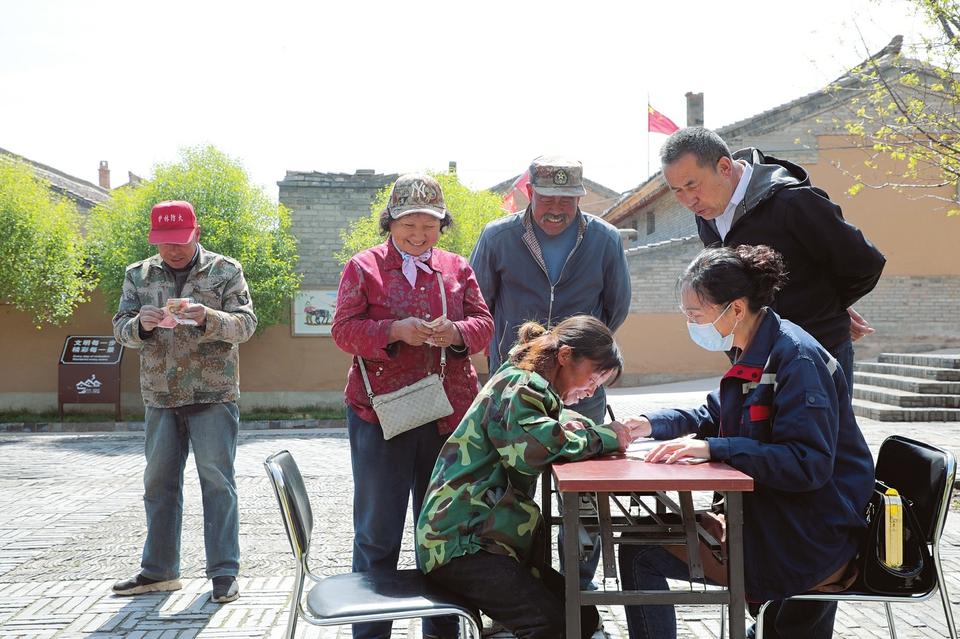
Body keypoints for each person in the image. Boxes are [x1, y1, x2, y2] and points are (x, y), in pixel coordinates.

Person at [620, 245, 875, 639]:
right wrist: (648, 424)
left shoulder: (796, 359)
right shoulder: (758, 348)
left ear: (735, 309)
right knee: (639, 543)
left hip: (801, 538)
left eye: (695, 314)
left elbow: (807, 464)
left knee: (642, 553)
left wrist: (715, 449)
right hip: (763, 520)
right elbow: (712, 413)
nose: (691, 324)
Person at [331, 173, 493, 639]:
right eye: (409, 225)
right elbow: (343, 331)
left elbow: (484, 323)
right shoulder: (363, 268)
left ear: (442, 225)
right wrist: (394, 331)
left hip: (447, 416)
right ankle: (370, 632)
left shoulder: (457, 268)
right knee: (377, 533)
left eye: (429, 226)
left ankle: (441, 633)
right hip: (380, 415)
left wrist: (456, 333)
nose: (419, 235)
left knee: (440, 531)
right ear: (390, 221)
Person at [416, 315, 646, 639]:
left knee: (582, 616)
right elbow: (537, 447)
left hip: (484, 540)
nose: (591, 391)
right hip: (462, 545)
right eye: (593, 378)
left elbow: (555, 423)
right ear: (565, 357)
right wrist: (605, 436)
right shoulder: (522, 386)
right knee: (551, 625)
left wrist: (586, 428)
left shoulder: (529, 384)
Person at [470, 154, 631, 589]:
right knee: (509, 491)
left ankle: (578, 587)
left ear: (581, 197)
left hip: (581, 388)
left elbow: (615, 309)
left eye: (568, 198)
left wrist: (578, 362)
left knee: (582, 494)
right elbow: (478, 307)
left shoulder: (606, 239)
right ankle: (516, 585)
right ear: (529, 193)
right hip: (518, 390)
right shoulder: (497, 237)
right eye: (547, 198)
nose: (557, 208)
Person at [660, 127, 886, 393]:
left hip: (814, 352)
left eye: (692, 185)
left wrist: (830, 307)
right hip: (753, 354)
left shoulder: (791, 201)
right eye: (677, 191)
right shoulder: (707, 215)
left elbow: (864, 263)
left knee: (819, 434)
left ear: (723, 167)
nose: (688, 200)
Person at [112, 200, 257, 604]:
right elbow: (120, 328)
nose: (172, 250)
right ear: (153, 239)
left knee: (218, 484)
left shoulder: (226, 271)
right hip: (160, 395)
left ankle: (224, 573)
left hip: (213, 394)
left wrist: (208, 316)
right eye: (164, 242)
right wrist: (139, 325)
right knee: (158, 484)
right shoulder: (137, 274)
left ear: (197, 233)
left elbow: (246, 325)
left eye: (180, 241)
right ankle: (159, 572)